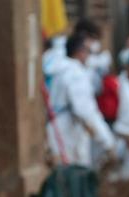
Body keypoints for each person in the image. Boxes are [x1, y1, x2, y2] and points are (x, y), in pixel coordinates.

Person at [46, 33, 116, 169]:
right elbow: (86, 111)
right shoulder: (75, 73)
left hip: (56, 129)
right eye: (88, 51)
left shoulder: (59, 69)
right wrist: (108, 142)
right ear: (80, 52)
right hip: (68, 134)